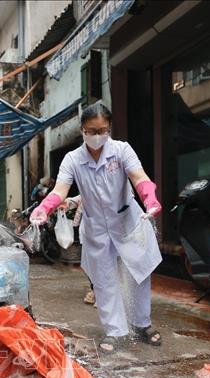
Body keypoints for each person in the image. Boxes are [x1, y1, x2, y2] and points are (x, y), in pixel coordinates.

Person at [31, 102, 163, 353]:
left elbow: (139, 178)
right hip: (97, 227)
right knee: (103, 280)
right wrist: (44, 208)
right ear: (82, 130)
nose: (96, 136)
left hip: (127, 220)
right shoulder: (73, 159)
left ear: (109, 128)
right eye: (91, 131)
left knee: (140, 272)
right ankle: (115, 331)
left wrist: (150, 198)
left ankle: (142, 324)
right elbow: (60, 190)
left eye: (102, 130)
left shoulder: (122, 150)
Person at [62, 195, 96, 305]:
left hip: (105, 234)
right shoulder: (88, 188)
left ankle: (102, 295)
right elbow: (78, 199)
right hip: (87, 234)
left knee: (104, 265)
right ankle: (95, 291)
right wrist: (65, 202)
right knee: (90, 265)